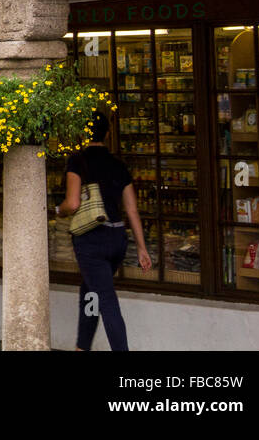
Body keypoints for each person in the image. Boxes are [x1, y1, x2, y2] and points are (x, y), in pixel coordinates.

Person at [56, 109, 152, 351]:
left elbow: (73, 202)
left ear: (83, 133)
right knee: (90, 291)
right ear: (108, 134)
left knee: (107, 301)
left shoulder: (78, 161)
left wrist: (58, 210)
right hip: (117, 238)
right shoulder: (118, 165)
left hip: (91, 240)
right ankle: (82, 347)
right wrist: (142, 247)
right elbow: (131, 210)